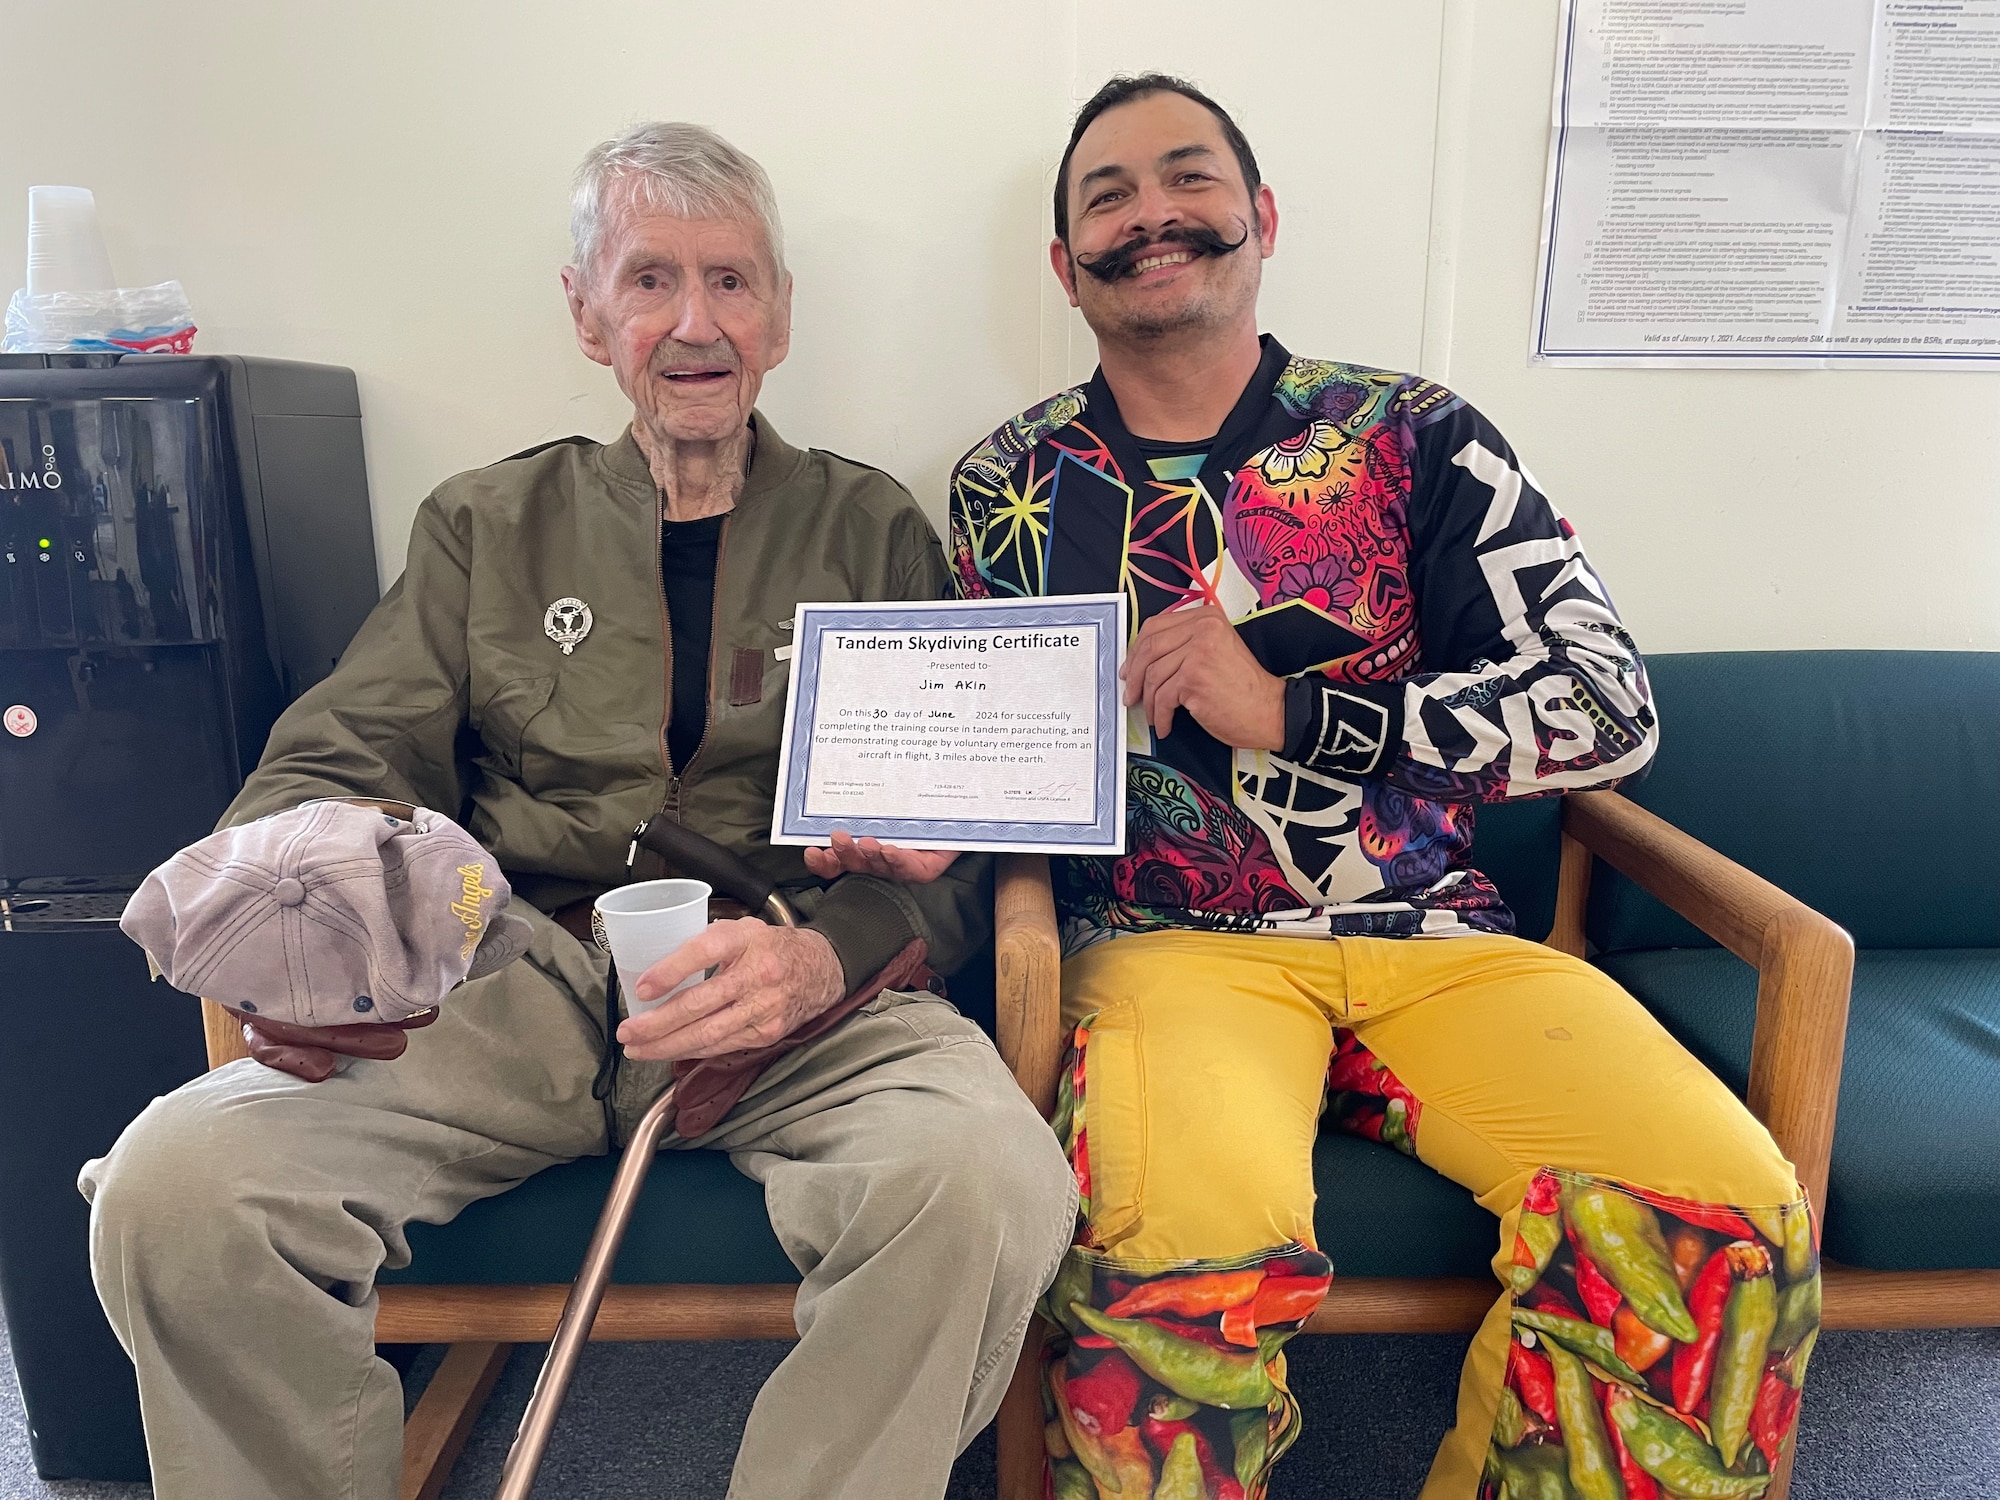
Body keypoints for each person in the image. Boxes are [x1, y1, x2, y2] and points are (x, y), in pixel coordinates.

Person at [827, 76, 1820, 1500]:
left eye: (1187, 179)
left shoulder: (1413, 433)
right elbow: (1004, 751)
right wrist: (940, 833)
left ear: (1260, 217)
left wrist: (1302, 710)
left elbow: (1611, 710)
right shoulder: (1009, 481)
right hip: (1167, 954)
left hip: (1448, 943)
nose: (1151, 215)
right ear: (1064, 264)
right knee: (1173, 1273)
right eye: (1106, 196)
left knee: (1719, 1214)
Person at [79, 122, 1074, 1500]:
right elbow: (337, 757)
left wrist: (819, 957)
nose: (693, 322)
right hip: (508, 980)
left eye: (732, 281)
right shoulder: (484, 526)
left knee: (988, 1183)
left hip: (789, 984)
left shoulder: (873, 530)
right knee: (176, 1193)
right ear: (583, 307)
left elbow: (958, 856)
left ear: (779, 316)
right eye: (649, 277)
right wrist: (312, 916)